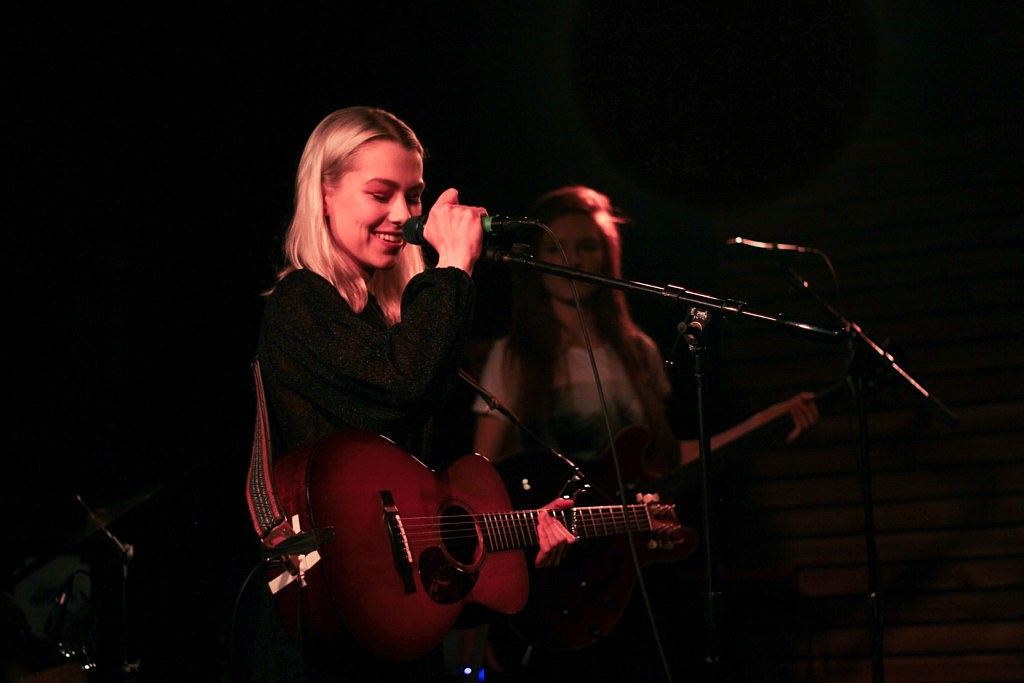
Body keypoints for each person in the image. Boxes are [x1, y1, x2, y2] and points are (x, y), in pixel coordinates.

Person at [247, 107, 576, 683]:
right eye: (381, 194)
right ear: (324, 193)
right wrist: (451, 267)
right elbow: (405, 383)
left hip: (397, 616)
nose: (403, 215)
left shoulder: (397, 317)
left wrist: (520, 530)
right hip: (325, 624)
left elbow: (425, 494)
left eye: (415, 196)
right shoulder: (300, 304)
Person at [469, 185, 820, 681]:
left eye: (588, 245)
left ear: (608, 254)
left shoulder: (639, 351)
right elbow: (479, 477)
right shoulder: (513, 357)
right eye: (557, 248)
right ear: (537, 261)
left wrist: (763, 425)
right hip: (556, 575)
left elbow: (666, 457)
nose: (574, 258)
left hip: (633, 567)